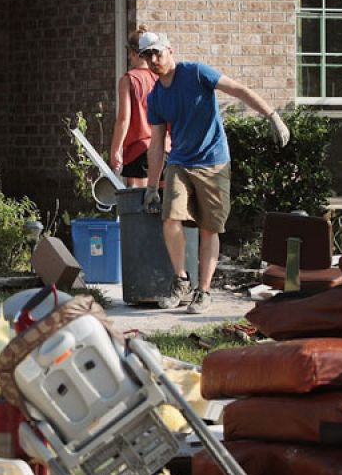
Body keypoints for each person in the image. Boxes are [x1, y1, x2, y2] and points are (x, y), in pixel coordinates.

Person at [139, 30, 290, 313]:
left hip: (214, 161)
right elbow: (157, 145)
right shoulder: (156, 97)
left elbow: (239, 90)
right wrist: (150, 187)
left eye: (158, 52)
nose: (154, 59)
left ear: (170, 50)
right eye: (148, 56)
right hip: (180, 162)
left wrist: (273, 115)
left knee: (210, 229)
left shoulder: (196, 73)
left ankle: (204, 291)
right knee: (170, 218)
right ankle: (181, 280)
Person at [107, 26, 166, 189]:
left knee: (140, 207)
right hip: (165, 149)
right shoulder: (162, 77)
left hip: (140, 151)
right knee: (164, 207)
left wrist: (115, 150)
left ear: (133, 53)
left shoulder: (129, 79)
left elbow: (124, 119)